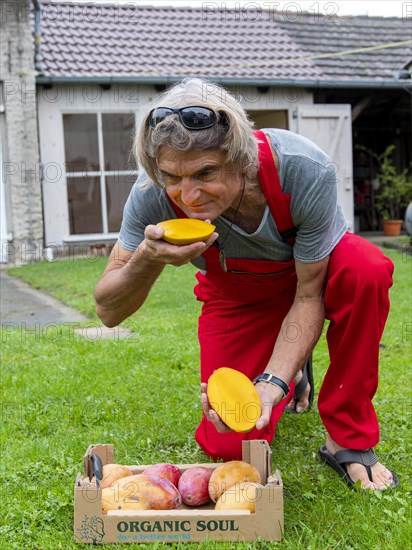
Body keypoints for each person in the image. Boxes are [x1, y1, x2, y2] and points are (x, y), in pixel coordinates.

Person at [94, 78, 398, 490]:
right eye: (172, 177)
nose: (188, 195)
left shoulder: (303, 169)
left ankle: (347, 437)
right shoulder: (150, 193)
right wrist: (147, 258)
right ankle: (294, 369)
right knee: (230, 443)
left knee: (365, 267)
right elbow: (108, 311)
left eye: (206, 172)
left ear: (241, 158)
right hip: (237, 297)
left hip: (308, 281)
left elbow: (310, 294)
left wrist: (272, 383)